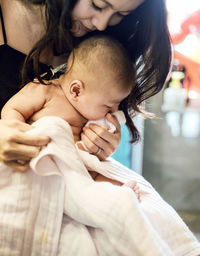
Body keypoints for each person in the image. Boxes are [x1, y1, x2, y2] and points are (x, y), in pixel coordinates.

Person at [0, 0, 172, 172]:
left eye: (121, 14)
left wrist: (101, 143)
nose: (102, 24)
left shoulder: (105, 46)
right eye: (97, 5)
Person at [1, 35, 141, 200]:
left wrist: (102, 141)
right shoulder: (45, 90)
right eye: (108, 106)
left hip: (70, 168)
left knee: (92, 173)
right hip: (34, 158)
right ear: (76, 91)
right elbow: (13, 108)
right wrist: (17, 130)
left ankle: (118, 194)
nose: (113, 111)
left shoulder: (87, 111)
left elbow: (88, 158)